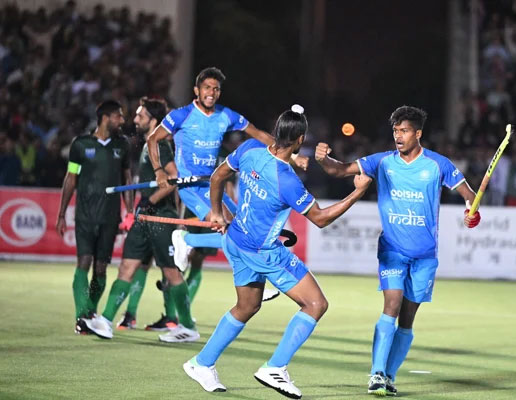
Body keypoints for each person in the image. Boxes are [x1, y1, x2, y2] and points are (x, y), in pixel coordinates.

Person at [182, 105, 372, 398]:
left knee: (247, 307)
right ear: (299, 140)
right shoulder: (287, 181)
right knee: (315, 304)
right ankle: (275, 367)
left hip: (236, 242)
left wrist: (217, 212)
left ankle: (201, 362)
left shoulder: (249, 149)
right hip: (263, 252)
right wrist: (358, 192)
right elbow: (320, 219)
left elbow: (218, 176)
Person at [314, 105, 481, 396]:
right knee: (391, 306)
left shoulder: (438, 165)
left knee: (407, 320)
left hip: (425, 256)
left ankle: (389, 376)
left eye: (404, 131)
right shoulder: (382, 162)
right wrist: (323, 159)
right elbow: (339, 170)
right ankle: (376, 373)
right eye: (395, 131)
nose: (398, 136)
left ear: (418, 134)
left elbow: (470, 196)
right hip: (392, 250)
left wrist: (472, 215)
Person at [146, 67, 304, 299]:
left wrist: (291, 155)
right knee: (229, 230)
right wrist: (159, 171)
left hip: (214, 184)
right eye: (207, 87)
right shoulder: (181, 115)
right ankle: (188, 241)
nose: (212, 92)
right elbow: (153, 139)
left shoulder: (225, 115)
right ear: (196, 90)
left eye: (216, 89)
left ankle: (191, 242)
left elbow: (258, 134)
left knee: (242, 229)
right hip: (192, 186)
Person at [81, 98, 199, 342]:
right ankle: (105, 320)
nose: (135, 120)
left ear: (153, 121)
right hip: (144, 217)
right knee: (127, 267)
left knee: (171, 273)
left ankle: (187, 326)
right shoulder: (148, 146)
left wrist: (150, 200)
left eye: (140, 116)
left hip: (161, 218)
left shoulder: (161, 146)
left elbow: (173, 178)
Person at [56, 100, 134, 334]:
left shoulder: (123, 145)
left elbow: (127, 180)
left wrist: (129, 212)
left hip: (110, 218)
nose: (122, 121)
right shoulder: (80, 145)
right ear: (105, 117)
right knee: (84, 262)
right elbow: (71, 178)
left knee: (101, 269)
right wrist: (61, 214)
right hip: (85, 216)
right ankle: (82, 315)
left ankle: (90, 310)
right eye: (118, 116)